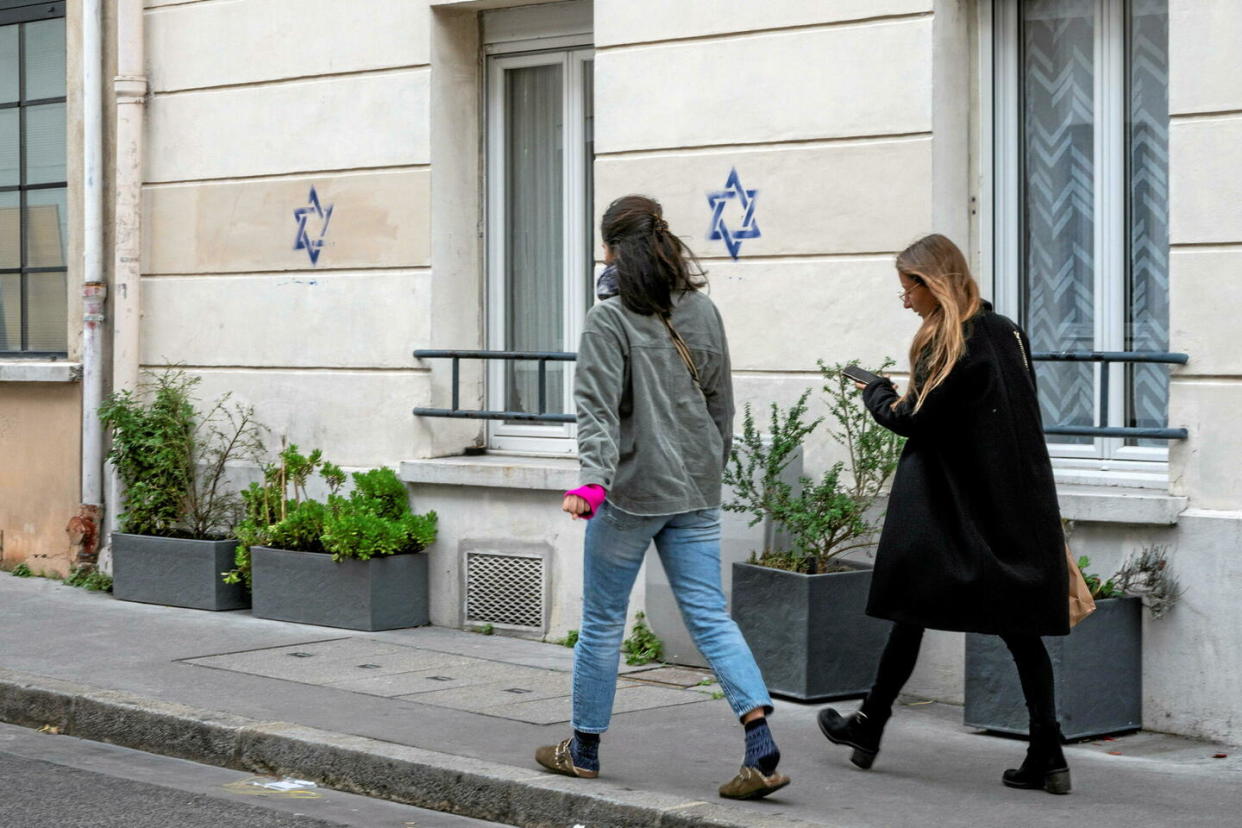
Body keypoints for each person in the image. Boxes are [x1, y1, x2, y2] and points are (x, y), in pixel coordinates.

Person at [534, 195, 790, 801]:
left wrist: (593, 482)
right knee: (709, 615)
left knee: (601, 622)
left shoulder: (610, 318)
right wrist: (710, 468)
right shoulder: (703, 311)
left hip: (631, 493)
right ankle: (760, 745)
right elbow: (721, 405)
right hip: (695, 489)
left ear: (612, 249)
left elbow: (595, 409)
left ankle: (585, 749)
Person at [817, 233, 1073, 795]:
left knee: (914, 609)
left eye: (907, 288)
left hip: (951, 506)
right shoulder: (1008, 332)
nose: (904, 299)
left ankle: (869, 725)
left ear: (929, 283)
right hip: (1008, 503)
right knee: (1015, 629)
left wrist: (876, 391)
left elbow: (914, 420)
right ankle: (1046, 754)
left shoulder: (952, 344)